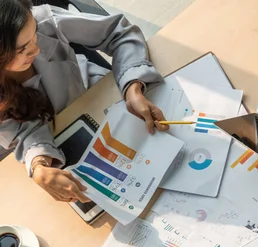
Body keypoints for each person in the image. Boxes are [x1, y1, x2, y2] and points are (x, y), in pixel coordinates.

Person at [0, 0, 168, 203]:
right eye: (22, 50)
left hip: (100, 97)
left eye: (34, 33)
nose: (36, 50)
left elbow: (118, 32)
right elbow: (22, 133)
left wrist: (132, 85)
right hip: (64, 145)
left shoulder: (44, 21)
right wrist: (39, 165)